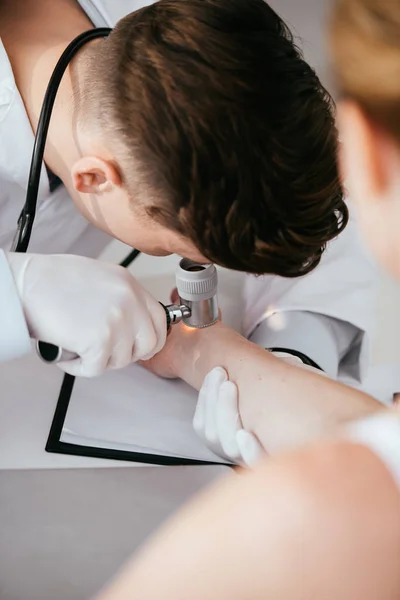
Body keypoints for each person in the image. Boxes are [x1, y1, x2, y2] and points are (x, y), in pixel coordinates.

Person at [95, 1, 400, 597]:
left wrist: (291, 348)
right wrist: (15, 292)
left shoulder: (300, 517)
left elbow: (289, 175)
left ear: (357, 145)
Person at [0, 0, 380, 397]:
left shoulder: (203, 38)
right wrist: (18, 291)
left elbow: (295, 183)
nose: (203, 267)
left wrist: (293, 357)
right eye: (174, 248)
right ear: (94, 178)